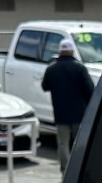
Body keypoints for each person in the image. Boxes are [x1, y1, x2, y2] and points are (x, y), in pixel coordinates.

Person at [40, 37, 95, 171]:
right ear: (72, 52)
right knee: (78, 143)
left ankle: (65, 168)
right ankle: (77, 168)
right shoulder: (80, 69)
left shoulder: (52, 69)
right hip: (79, 113)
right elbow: (90, 90)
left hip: (60, 113)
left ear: (60, 52)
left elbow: (44, 86)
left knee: (63, 143)